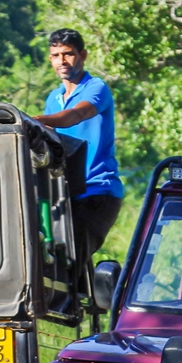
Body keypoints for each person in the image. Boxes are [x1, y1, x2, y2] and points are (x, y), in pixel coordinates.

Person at [31, 28, 123, 260]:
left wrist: (35, 122)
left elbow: (75, 115)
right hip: (65, 193)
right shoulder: (53, 98)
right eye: (55, 55)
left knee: (74, 259)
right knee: (47, 256)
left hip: (97, 190)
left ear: (83, 55)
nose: (61, 60)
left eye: (68, 54)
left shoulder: (96, 88)